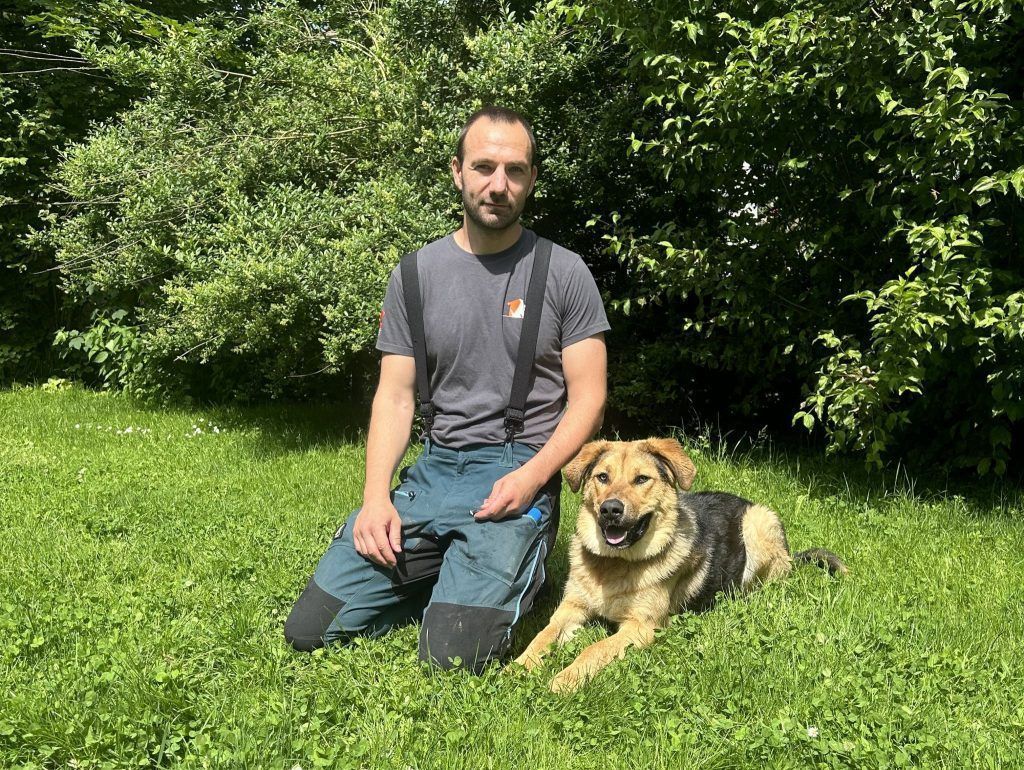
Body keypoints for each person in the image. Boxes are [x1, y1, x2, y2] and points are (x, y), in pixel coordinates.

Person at [284, 106, 609, 671]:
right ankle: (449, 568)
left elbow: (589, 399)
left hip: (517, 472)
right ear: (457, 172)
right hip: (433, 473)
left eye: (514, 170)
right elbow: (395, 396)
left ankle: (489, 572)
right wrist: (375, 498)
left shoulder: (563, 272)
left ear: (531, 179)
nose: (498, 185)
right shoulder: (415, 273)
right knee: (312, 629)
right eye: (484, 167)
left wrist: (534, 478)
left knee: (452, 657)